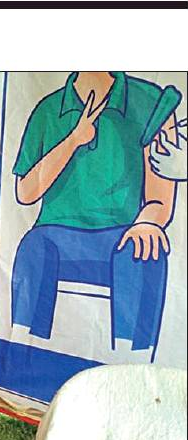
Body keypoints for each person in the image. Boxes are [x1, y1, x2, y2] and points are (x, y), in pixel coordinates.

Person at [11, 72, 180, 354]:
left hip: (123, 234)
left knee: (143, 249)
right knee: (34, 247)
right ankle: (23, 351)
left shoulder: (152, 102)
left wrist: (147, 222)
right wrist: (73, 140)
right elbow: (25, 192)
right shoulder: (48, 109)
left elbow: (159, 199)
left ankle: (131, 361)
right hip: (55, 236)